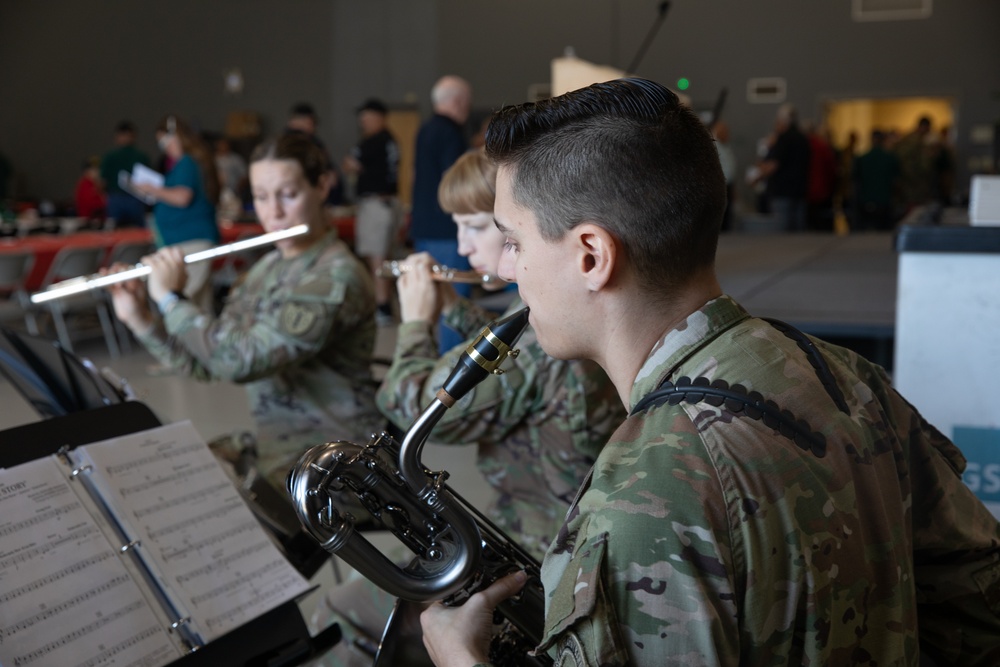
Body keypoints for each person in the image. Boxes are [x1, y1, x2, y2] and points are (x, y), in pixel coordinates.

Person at [420, 78, 1000, 666]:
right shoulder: (844, 375)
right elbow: (979, 606)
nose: (511, 272)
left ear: (590, 255)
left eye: (514, 242)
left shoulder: (641, 496)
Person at [309, 149, 624, 667]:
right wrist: (454, 306)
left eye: (477, 226)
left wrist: (412, 322)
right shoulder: (557, 319)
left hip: (536, 556)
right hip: (542, 533)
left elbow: (413, 406)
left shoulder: (535, 343)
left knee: (342, 612)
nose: (462, 246)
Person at [107, 132, 383, 493]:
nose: (274, 214)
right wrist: (140, 319)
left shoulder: (335, 277)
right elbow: (209, 364)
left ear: (323, 186)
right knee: (165, 479)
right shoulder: (263, 270)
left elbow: (239, 361)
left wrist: (172, 300)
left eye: (288, 194)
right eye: (261, 197)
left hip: (335, 469)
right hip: (279, 452)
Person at [130, 115, 220, 312]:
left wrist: (152, 189)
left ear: (176, 136)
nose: (163, 147)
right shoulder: (184, 164)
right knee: (199, 306)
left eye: (164, 140)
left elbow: (182, 197)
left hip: (191, 242)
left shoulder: (187, 163)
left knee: (182, 304)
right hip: (187, 242)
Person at [410, 75, 473, 353]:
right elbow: (457, 183)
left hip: (423, 227)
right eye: (467, 103)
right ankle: (453, 370)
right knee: (454, 302)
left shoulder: (424, 130)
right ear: (458, 102)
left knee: (433, 300)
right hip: (447, 232)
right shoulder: (450, 133)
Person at [342, 98, 401, 327]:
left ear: (378, 117)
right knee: (381, 256)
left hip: (377, 205)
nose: (362, 121)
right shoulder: (389, 140)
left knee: (377, 258)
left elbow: (349, 164)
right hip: (387, 204)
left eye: (366, 117)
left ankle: (383, 306)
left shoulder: (375, 141)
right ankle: (384, 303)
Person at [754, 103, 810, 231]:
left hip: (782, 192)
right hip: (800, 190)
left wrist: (758, 174)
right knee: (799, 233)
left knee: (783, 236)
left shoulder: (784, 138)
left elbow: (773, 165)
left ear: (783, 121)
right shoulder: (803, 138)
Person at [286, 102, 344, 206]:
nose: (313, 125)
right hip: (299, 191)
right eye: (310, 121)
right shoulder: (289, 141)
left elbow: (327, 165)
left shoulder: (314, 141)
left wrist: (330, 172)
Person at [99, 120, 150, 228]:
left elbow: (102, 182)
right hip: (133, 199)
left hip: (119, 198)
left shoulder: (111, 157)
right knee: (138, 233)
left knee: (115, 231)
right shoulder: (141, 156)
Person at [853, 129, 901, 231]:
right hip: (884, 202)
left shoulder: (862, 159)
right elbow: (897, 181)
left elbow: (856, 181)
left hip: (866, 201)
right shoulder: (890, 158)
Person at [74, 156, 106, 221]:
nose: (97, 172)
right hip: (88, 222)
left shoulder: (95, 184)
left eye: (98, 169)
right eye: (94, 169)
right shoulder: (85, 184)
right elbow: (92, 205)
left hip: (97, 221)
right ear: (86, 171)